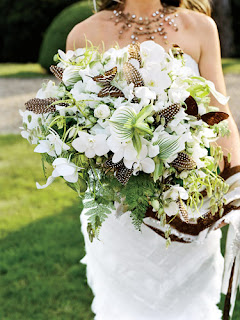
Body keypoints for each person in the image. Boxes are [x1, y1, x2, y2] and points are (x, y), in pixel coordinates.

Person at [66, 1, 240, 319]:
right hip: (120, 213)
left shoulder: (201, 28)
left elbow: (222, 119)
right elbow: (74, 127)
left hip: (188, 207)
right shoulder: (83, 34)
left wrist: (233, 193)